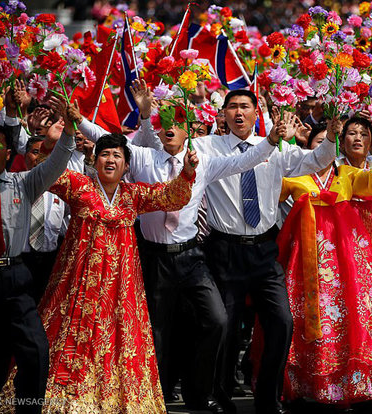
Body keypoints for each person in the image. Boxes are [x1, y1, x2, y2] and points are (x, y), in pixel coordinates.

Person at [75, 80, 287, 414]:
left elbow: (245, 162)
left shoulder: (204, 160)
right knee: (156, 334)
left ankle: (199, 396)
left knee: (217, 320)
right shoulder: (143, 157)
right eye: (164, 123)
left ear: (188, 130)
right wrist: (78, 117)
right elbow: (105, 138)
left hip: (193, 258)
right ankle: (150, 399)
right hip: (155, 259)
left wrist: (272, 140)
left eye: (177, 122)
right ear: (158, 131)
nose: (169, 128)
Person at [272, 117, 372, 409]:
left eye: (363, 133)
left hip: (362, 258)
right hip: (316, 263)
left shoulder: (359, 172)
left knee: (365, 319)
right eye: (349, 134)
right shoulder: (310, 177)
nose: (356, 138)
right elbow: (271, 198)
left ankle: (370, 384)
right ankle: (321, 385)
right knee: (325, 322)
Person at [29, 131, 197, 412]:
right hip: (79, 283)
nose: (110, 160)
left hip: (120, 289)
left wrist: (189, 171)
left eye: (117, 155)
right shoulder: (79, 186)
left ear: (126, 166)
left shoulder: (134, 195)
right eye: (105, 154)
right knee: (70, 338)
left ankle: (116, 400)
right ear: (94, 160)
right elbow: (45, 171)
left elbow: (172, 196)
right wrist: (52, 142)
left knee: (119, 343)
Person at [202, 89, 337, 414]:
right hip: (224, 250)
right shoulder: (209, 147)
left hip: (263, 250)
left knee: (281, 321)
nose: (238, 113)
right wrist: (272, 140)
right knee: (227, 327)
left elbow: (317, 160)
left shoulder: (278, 148)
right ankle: (219, 396)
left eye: (244, 107)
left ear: (255, 112)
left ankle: (267, 397)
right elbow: (239, 163)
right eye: (231, 107)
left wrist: (332, 135)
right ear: (222, 114)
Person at [0, 120, 76, 414]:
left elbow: (57, 164)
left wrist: (67, 136)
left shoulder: (25, 182)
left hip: (16, 277)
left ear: (8, 152)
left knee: (35, 349)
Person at [20, 137, 66, 304]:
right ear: (25, 156)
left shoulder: (62, 190)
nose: (39, 158)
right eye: (35, 152)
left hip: (49, 259)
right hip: (21, 259)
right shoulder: (14, 184)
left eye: (46, 153)